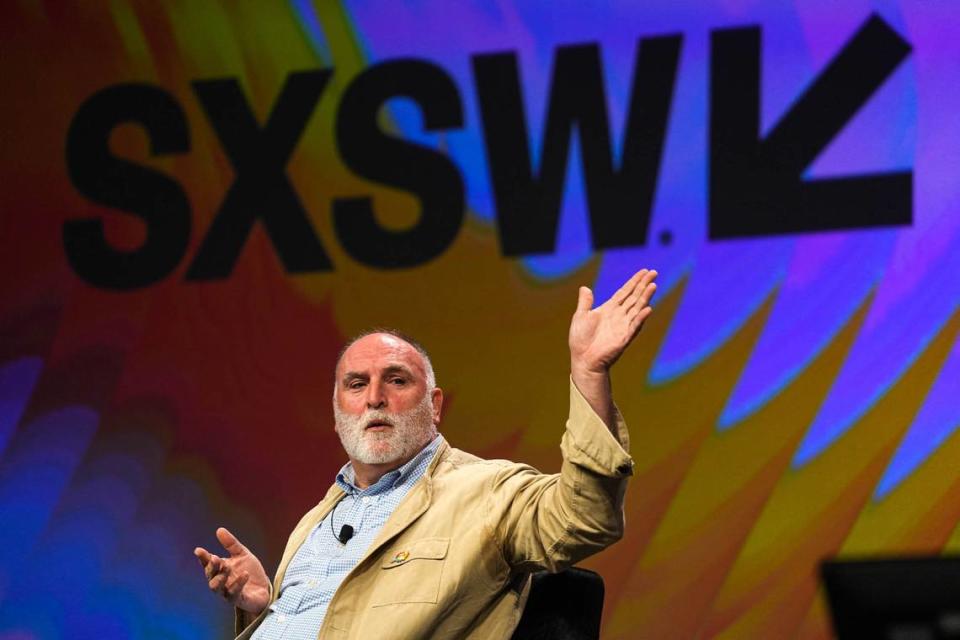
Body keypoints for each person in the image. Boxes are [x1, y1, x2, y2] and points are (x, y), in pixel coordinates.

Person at [194, 269, 659, 639]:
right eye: (356, 385)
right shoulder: (316, 521)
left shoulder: (488, 492)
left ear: (433, 405)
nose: (375, 397)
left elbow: (587, 517)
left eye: (396, 380)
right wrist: (265, 605)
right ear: (337, 414)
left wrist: (589, 373)